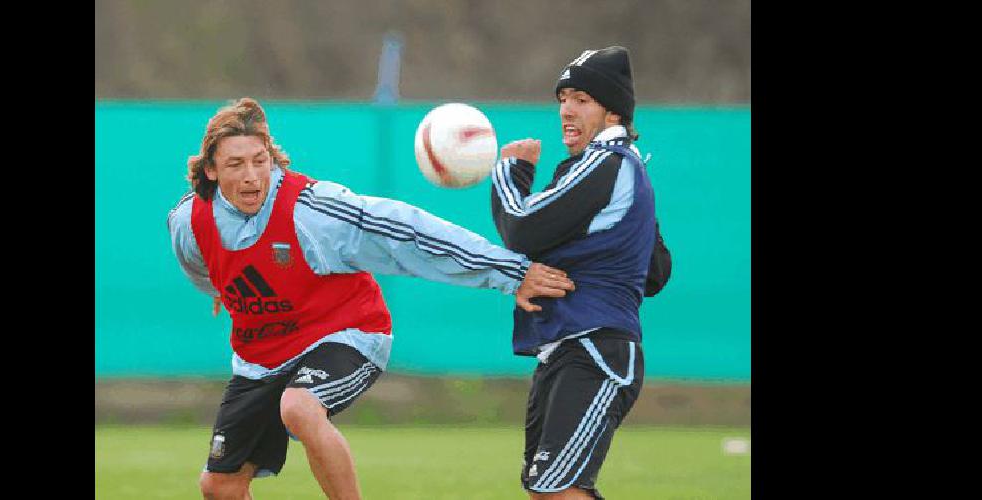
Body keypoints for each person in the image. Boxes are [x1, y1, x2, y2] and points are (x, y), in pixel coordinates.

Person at [167, 97, 575, 500]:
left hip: (346, 333)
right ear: (210, 170)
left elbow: (412, 233)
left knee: (299, 408)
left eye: (260, 160)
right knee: (219, 487)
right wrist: (217, 289)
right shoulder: (189, 220)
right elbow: (200, 267)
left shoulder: (313, 211)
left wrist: (511, 272)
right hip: (262, 356)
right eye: (236, 165)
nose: (252, 176)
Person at [489, 45, 666, 500]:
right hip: (569, 347)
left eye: (582, 99)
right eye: (563, 97)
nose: (566, 109)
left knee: (556, 489)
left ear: (613, 113)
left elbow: (522, 228)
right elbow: (656, 271)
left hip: (595, 348)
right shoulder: (616, 168)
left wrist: (511, 172)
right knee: (546, 488)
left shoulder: (606, 163)